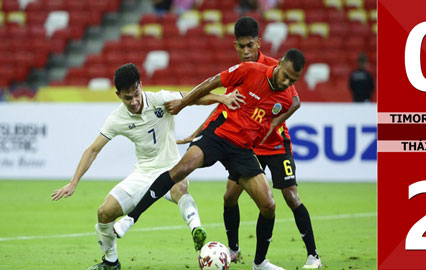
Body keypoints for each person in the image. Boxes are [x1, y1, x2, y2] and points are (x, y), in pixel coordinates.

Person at [114, 49, 306, 270]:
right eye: (285, 75)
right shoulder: (250, 70)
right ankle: (131, 218)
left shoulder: (286, 96)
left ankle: (260, 262)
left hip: (242, 150)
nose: (286, 82)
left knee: (269, 205)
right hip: (219, 133)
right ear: (279, 63)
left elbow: (293, 103)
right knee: (181, 169)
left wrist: (269, 127)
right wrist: (184, 102)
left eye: (293, 79)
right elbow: (211, 82)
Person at [51, 63, 245, 270]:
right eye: (127, 98)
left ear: (141, 86)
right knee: (104, 213)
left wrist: (221, 98)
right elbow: (93, 150)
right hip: (143, 173)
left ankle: (196, 229)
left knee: (180, 187)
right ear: (118, 95)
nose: (134, 101)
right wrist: (74, 182)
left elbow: (193, 98)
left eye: (136, 93)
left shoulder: (159, 99)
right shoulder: (117, 118)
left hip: (171, 168)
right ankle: (110, 262)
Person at [178, 16, 322, 269]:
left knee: (290, 196)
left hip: (276, 145)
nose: (246, 51)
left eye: (250, 46)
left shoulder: (276, 67)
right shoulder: (243, 71)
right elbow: (223, 108)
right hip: (248, 146)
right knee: (230, 197)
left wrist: (276, 122)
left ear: (258, 43)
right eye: (241, 46)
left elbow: (295, 101)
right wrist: (197, 132)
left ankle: (313, 255)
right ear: (236, 45)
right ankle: (233, 249)